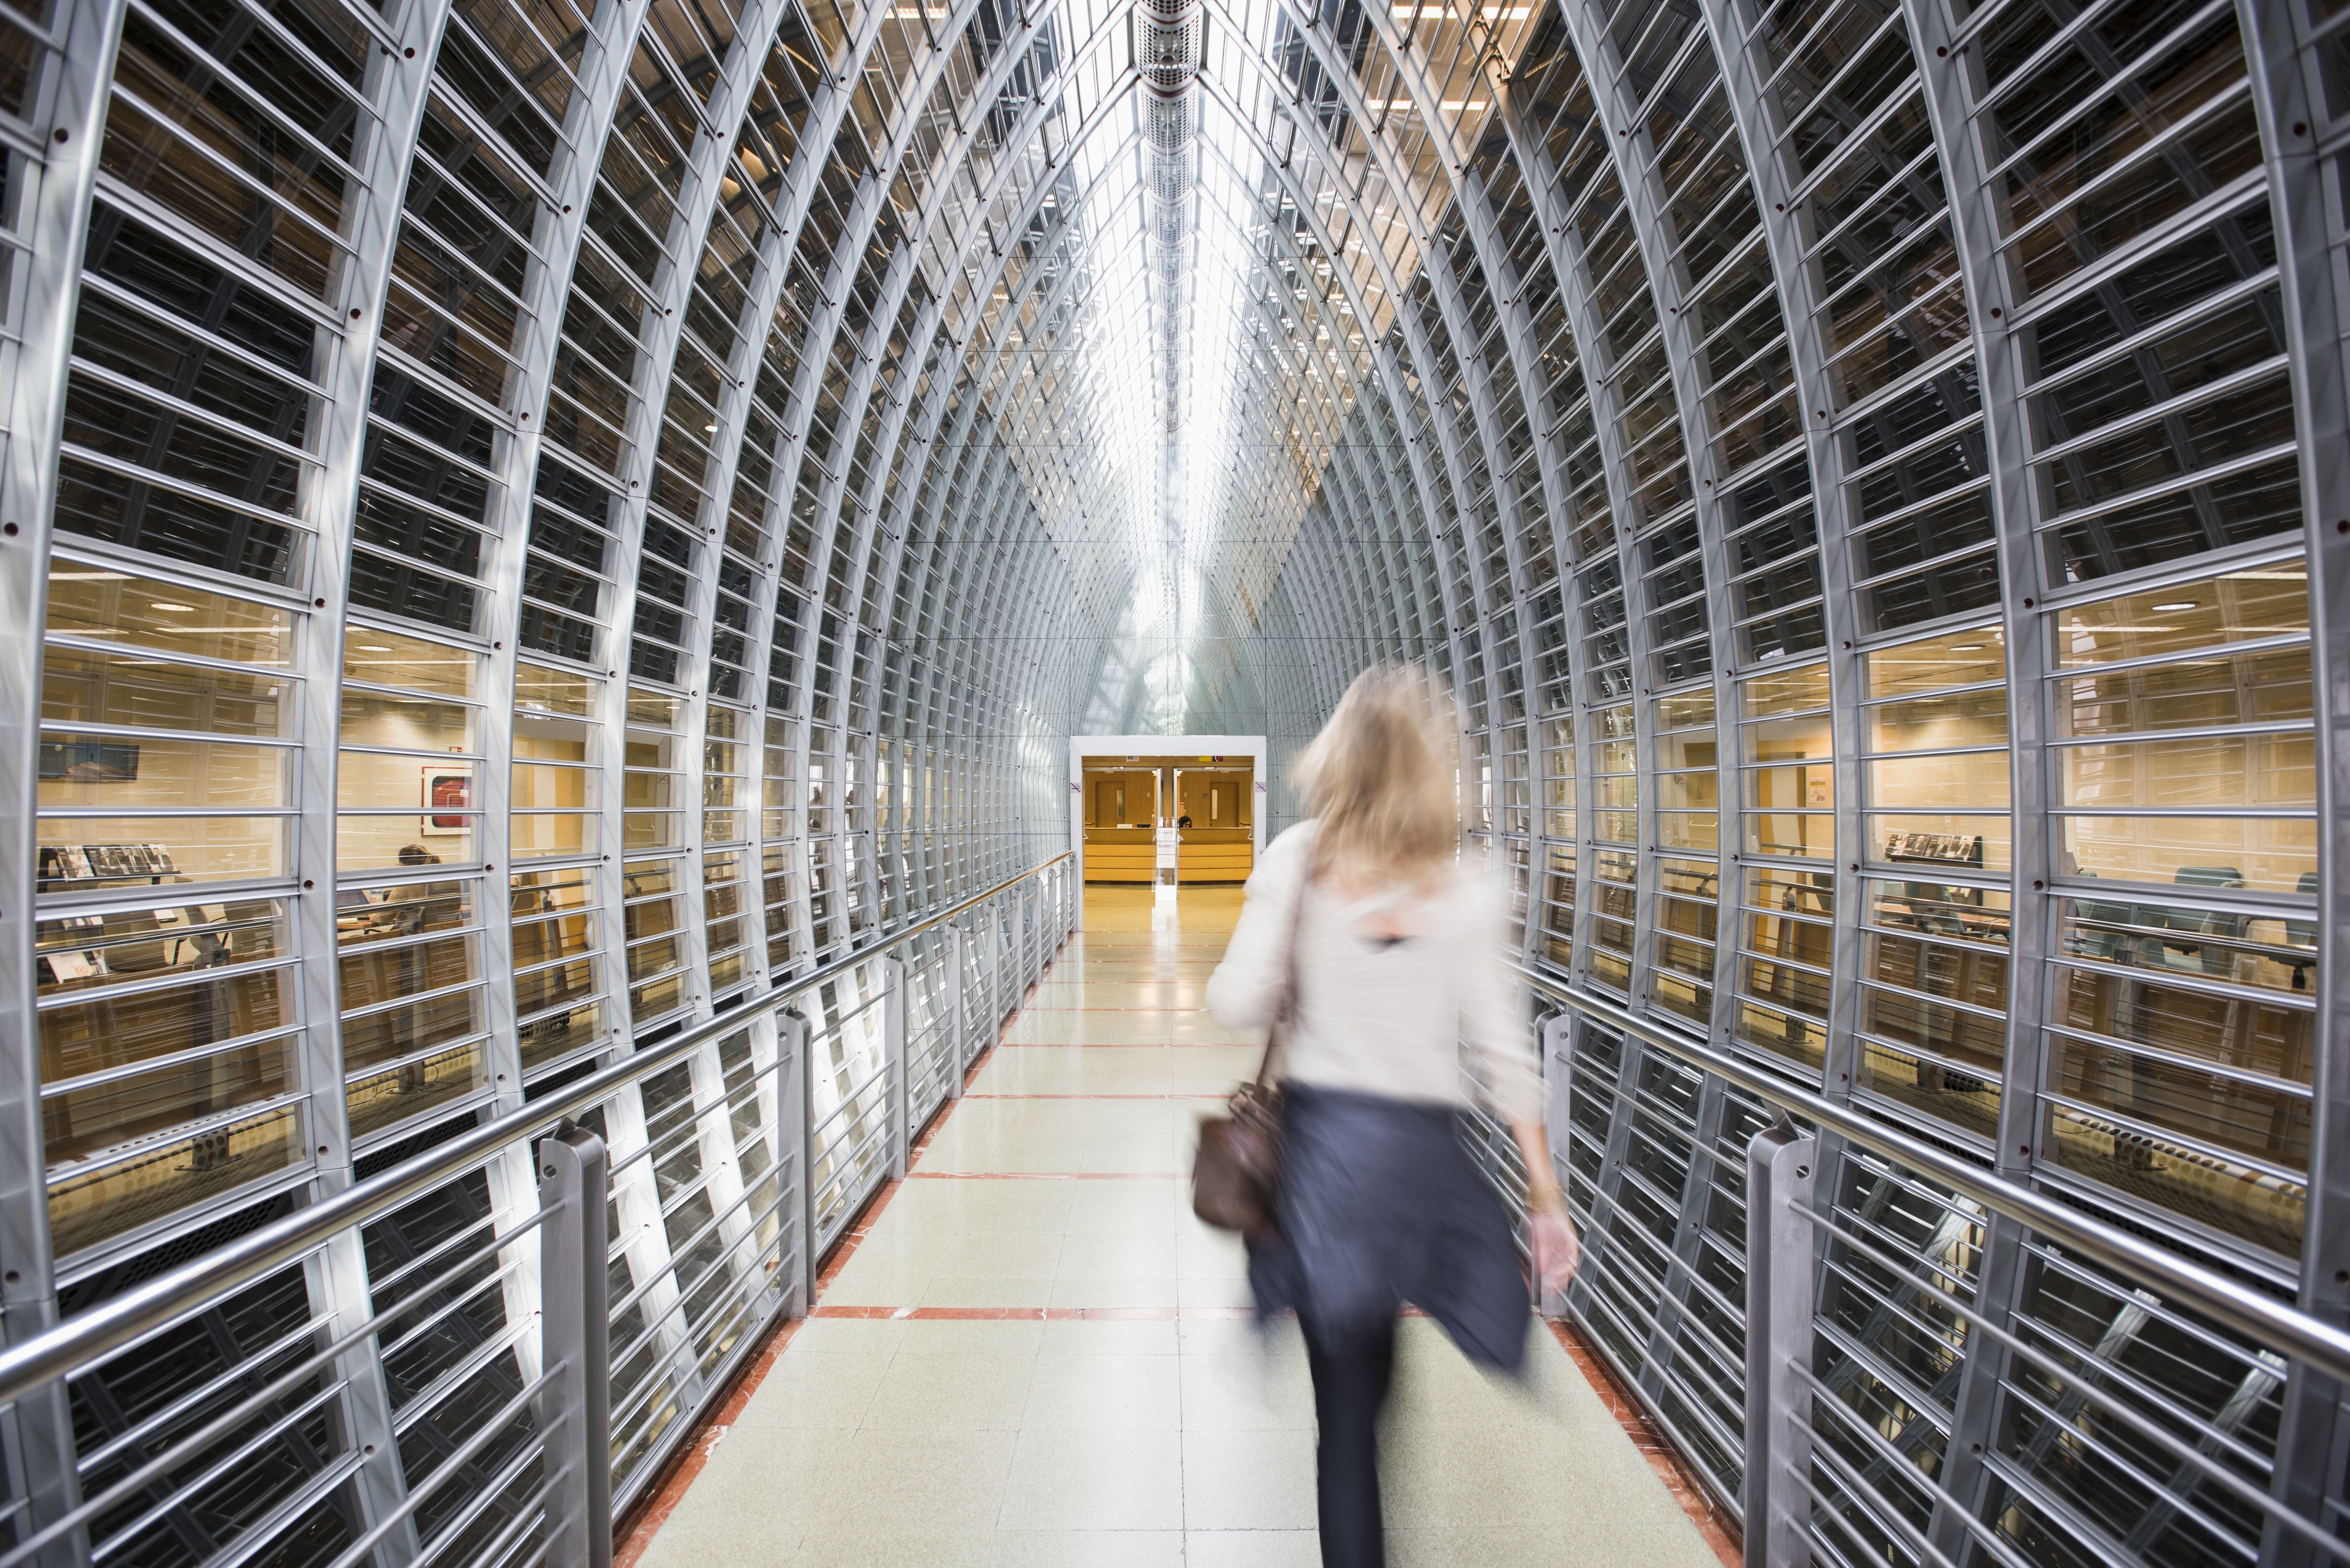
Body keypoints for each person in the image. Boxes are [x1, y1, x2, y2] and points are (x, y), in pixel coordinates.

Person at [1205, 664, 1578, 1568]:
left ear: (1338, 758)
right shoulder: (1471, 886)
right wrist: (1544, 1194)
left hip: (1328, 1165)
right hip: (1420, 1166)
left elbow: (1233, 1000)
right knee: (1375, 1380)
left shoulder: (1299, 859)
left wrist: (1298, 972)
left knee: (1345, 1414)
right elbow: (1501, 1050)